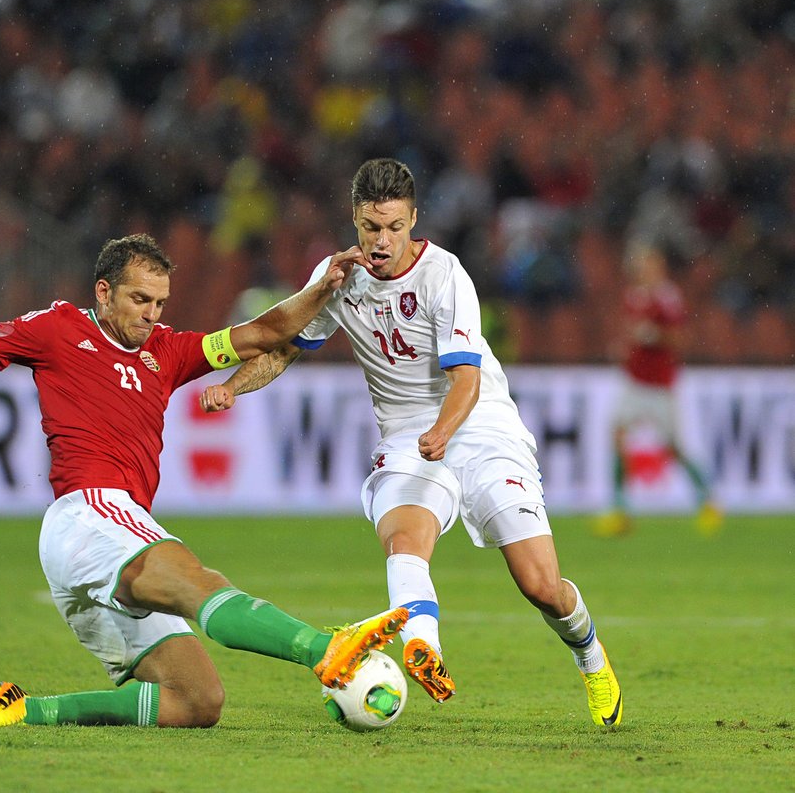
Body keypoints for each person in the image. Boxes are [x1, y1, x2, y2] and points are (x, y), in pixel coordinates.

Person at [0, 233, 408, 729]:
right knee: (194, 579)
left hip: (99, 541)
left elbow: (267, 333)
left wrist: (324, 285)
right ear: (103, 292)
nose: (151, 315)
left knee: (197, 701)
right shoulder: (57, 330)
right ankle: (322, 649)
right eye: (140, 300)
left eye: (161, 302)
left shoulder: (169, 351)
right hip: (89, 513)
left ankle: (27, 710)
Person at [200, 159, 623, 728]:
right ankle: (424, 646)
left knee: (541, 585)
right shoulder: (337, 277)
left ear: (413, 220)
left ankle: (591, 658)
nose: (382, 241)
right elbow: (284, 348)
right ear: (354, 219)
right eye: (372, 227)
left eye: (395, 227)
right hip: (407, 435)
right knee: (404, 536)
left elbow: (466, 380)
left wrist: (442, 434)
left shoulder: (445, 273)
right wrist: (231, 387)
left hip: (478, 423)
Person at [593, 243, 722, 537]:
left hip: (660, 385)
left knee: (673, 447)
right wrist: (627, 348)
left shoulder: (667, 297)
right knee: (618, 434)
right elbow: (632, 333)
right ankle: (620, 510)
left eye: (647, 264)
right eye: (639, 265)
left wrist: (655, 335)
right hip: (634, 381)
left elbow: (681, 338)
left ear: (659, 267)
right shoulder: (633, 296)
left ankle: (709, 501)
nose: (642, 270)